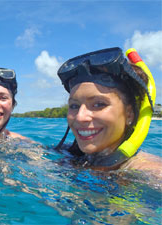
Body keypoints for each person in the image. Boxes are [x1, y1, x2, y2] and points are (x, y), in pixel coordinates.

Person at [55, 47, 162, 176]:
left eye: (99, 104)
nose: (80, 117)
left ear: (129, 114)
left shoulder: (149, 173)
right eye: (74, 106)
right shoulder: (69, 155)